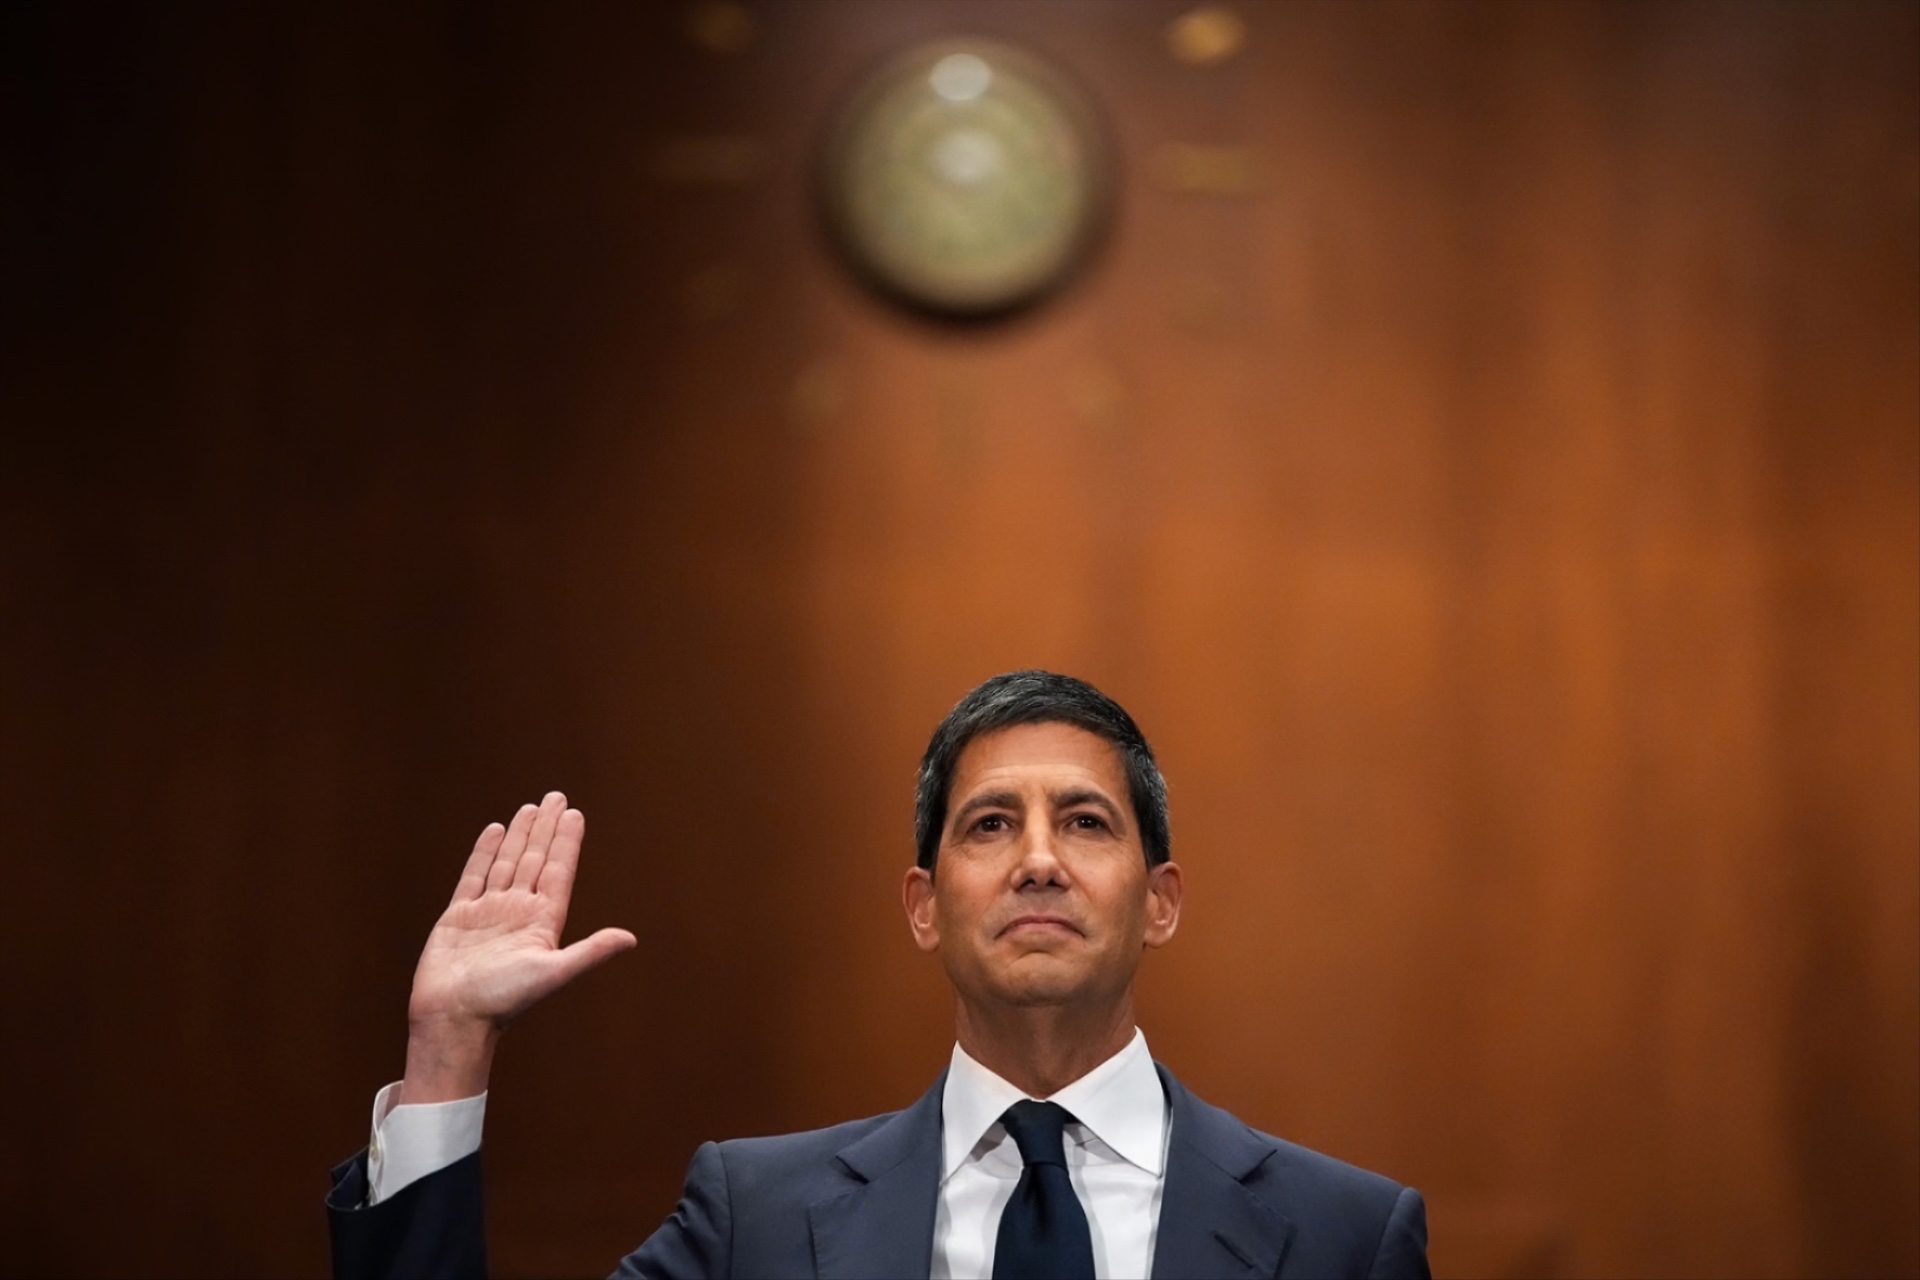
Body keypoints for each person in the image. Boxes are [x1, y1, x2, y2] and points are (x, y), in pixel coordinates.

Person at [327, 670, 1430, 1279]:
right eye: (990, 823)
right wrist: (446, 1055)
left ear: (1160, 901)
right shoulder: (753, 1220)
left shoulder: (1344, 1235)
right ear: (922, 906)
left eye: (1086, 822)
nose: (1038, 858)